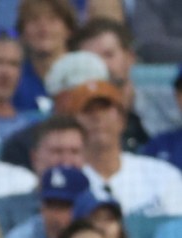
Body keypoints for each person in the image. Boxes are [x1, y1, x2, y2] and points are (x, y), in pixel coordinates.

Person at [72, 79, 182, 218]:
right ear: (73, 123)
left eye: (105, 109)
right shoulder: (69, 179)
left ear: (122, 119)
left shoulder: (162, 174)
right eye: (88, 111)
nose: (97, 117)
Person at [72, 17, 178, 143]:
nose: (101, 65)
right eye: (91, 60)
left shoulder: (171, 103)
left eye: (108, 55)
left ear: (130, 57)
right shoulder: (71, 114)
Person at [0, 115, 87, 234]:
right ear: (34, 158)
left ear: (85, 158)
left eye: (74, 152)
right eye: (57, 151)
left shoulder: (100, 209)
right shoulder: (5, 209)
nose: (66, 161)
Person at [12, 0, 77, 113]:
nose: (43, 28)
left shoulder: (86, 72)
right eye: (34, 20)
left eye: (52, 19)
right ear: (22, 33)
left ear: (69, 30)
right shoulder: (13, 78)